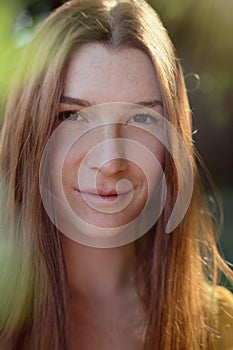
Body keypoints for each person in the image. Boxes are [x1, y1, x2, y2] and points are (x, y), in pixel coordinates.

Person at [0, 0, 232, 349]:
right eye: (71, 116)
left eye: (142, 119)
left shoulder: (222, 325)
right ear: (29, 133)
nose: (110, 160)